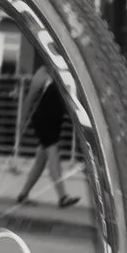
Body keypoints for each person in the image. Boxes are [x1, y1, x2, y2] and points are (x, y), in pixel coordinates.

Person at [12, 59, 79, 207]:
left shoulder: (66, 73)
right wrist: (22, 121)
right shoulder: (43, 73)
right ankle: (63, 197)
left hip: (55, 120)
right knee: (53, 155)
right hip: (43, 120)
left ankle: (23, 194)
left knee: (41, 161)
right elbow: (29, 98)